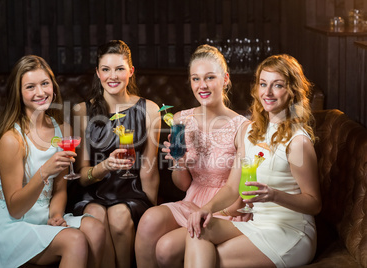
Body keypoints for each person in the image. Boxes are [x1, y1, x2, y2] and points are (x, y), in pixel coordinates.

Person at [184, 54, 322, 267]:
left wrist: (273, 195)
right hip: (257, 221)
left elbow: (314, 203)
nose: (267, 92)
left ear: (292, 90)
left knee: (212, 259)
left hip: (290, 230)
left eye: (277, 85)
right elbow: (231, 188)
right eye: (263, 84)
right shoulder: (251, 132)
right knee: (198, 230)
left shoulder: (298, 142)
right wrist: (207, 208)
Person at [0, 55, 106, 268]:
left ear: (53, 86)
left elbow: (59, 188)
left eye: (45, 83)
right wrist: (43, 172)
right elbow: (15, 208)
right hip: (14, 224)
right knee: (75, 240)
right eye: (30, 87)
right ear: (18, 93)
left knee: (95, 229)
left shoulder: (63, 131)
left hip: (44, 217)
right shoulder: (11, 140)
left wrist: (57, 215)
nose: (40, 93)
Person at [135, 44, 249, 268]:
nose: (202, 86)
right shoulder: (180, 120)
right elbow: (182, 184)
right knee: (148, 219)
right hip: (191, 200)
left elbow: (240, 190)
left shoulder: (243, 127)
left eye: (209, 77)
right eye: (195, 79)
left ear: (225, 79)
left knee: (166, 250)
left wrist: (215, 211)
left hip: (225, 208)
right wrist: (179, 163)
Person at [67, 40, 161, 268]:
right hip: (93, 193)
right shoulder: (82, 111)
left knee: (119, 217)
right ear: (98, 73)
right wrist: (105, 166)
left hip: (132, 193)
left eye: (120, 68)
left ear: (131, 71)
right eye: (106, 69)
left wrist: (153, 213)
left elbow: (149, 170)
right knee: (96, 217)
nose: (113, 76)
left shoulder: (150, 109)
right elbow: (82, 175)